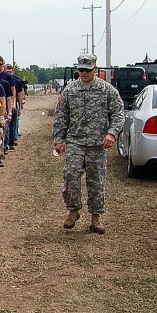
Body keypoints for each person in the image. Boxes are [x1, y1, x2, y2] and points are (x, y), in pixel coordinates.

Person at [53, 53, 124, 234]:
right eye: (81, 69)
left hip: (97, 143)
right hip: (75, 141)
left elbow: (118, 113)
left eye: (87, 70)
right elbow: (62, 115)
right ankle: (73, 210)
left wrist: (111, 134)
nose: (84, 73)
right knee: (71, 175)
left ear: (95, 69)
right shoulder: (70, 90)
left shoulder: (107, 90)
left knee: (96, 181)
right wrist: (58, 139)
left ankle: (95, 218)